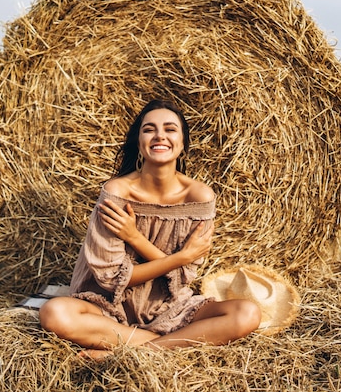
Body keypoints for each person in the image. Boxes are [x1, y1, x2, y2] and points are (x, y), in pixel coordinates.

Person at [39, 99, 261, 358]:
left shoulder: (199, 196)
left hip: (167, 307)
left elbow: (183, 277)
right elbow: (112, 279)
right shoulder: (117, 193)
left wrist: (135, 237)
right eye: (149, 129)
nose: (159, 136)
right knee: (54, 313)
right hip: (107, 309)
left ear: (182, 143)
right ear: (139, 142)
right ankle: (170, 344)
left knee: (247, 313)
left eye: (169, 129)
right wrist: (180, 257)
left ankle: (131, 350)